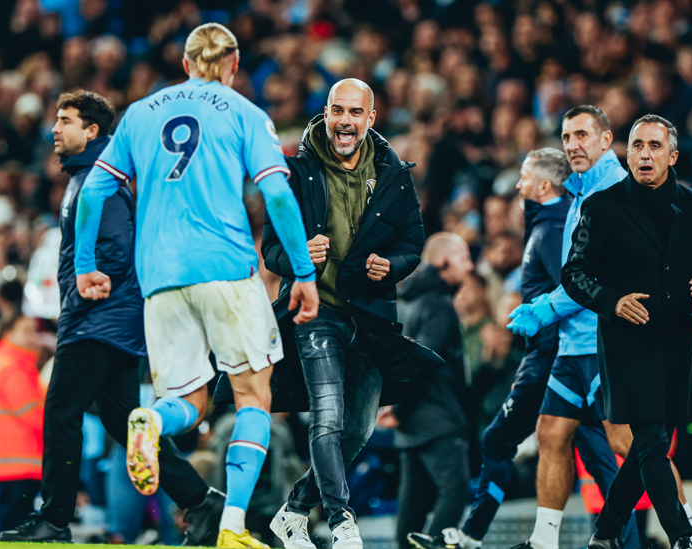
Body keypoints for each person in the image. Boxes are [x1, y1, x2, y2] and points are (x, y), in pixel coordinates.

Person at [73, 23, 319, 549]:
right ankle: (232, 526)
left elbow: (94, 191)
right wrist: (302, 273)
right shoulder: (248, 115)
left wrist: (86, 265)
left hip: (159, 279)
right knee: (254, 398)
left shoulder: (140, 114)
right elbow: (277, 196)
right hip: (225, 269)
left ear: (185, 65)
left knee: (188, 401)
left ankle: (151, 422)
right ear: (232, 65)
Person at [0, 90, 225, 544]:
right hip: (109, 320)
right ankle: (202, 502)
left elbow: (118, 248)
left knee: (61, 411)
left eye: (65, 120)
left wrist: (89, 286)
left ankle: (55, 519)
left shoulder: (101, 182)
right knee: (124, 423)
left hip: (98, 320)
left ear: (92, 130)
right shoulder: (88, 178)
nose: (55, 129)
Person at [508, 108, 692, 549]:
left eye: (582, 135)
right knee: (551, 431)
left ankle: (689, 529)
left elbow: (601, 278)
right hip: (573, 342)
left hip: (608, 343)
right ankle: (546, 541)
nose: (572, 145)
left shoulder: (615, 190)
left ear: (606, 141)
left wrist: (546, 308)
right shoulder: (580, 191)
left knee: (637, 442)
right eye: (566, 136)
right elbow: (578, 271)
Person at [245, 78, 437, 549]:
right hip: (315, 310)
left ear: (370, 119)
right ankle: (341, 521)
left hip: (371, 318)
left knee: (356, 429)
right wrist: (298, 253)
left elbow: (413, 243)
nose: (344, 121)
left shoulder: (394, 173)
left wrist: (393, 265)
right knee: (326, 417)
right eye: (337, 111)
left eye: (355, 112)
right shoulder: (295, 172)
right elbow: (270, 249)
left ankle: (292, 512)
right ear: (326, 114)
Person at [415, 149, 638, 549]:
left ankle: (468, 537)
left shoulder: (552, 230)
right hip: (563, 355)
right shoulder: (549, 226)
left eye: (524, 177)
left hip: (553, 356)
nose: (518, 186)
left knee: (499, 441)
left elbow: (575, 285)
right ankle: (634, 541)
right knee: (600, 457)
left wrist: (540, 318)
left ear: (544, 185)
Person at [560, 114, 692, 549]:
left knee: (650, 444)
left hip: (677, 343)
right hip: (627, 345)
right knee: (653, 439)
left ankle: (605, 532)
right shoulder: (602, 206)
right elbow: (574, 273)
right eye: (637, 146)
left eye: (654, 146)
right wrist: (612, 301)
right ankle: (684, 537)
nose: (644, 155)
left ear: (672, 156)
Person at [383, 232, 474, 549]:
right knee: (455, 491)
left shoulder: (403, 301)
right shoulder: (439, 304)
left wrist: (397, 408)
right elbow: (425, 360)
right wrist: (399, 409)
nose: (470, 266)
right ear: (443, 262)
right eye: (464, 258)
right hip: (437, 417)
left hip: (411, 422)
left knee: (413, 504)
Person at [0, 313, 46, 538]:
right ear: (8, 333)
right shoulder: (13, 367)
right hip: (18, 465)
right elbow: (36, 416)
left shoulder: (1, 362)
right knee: (12, 530)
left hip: (6, 465)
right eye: (25, 331)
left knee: (7, 528)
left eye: (33, 331)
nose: (32, 337)